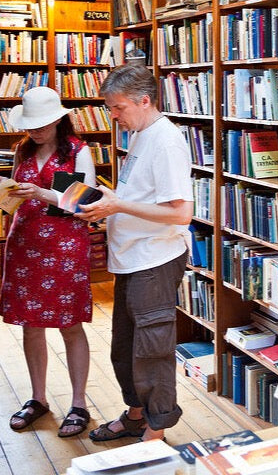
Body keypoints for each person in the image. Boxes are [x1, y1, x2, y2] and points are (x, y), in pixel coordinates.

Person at [78, 63, 193, 443]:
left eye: (118, 107)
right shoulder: (142, 133)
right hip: (130, 258)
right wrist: (106, 208)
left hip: (154, 260)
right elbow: (136, 195)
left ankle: (155, 434)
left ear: (145, 101)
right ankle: (135, 415)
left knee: (152, 348)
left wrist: (118, 208)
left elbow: (180, 213)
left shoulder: (166, 141)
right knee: (126, 347)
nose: (113, 115)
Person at [0, 86, 96, 436]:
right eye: (31, 125)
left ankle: (79, 403)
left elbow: (82, 204)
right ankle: (38, 398)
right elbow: (15, 194)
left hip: (65, 247)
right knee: (30, 324)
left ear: (58, 120)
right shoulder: (22, 149)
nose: (35, 131)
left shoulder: (77, 152)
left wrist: (39, 192)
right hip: (24, 244)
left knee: (70, 325)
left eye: (41, 124)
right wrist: (2, 191)